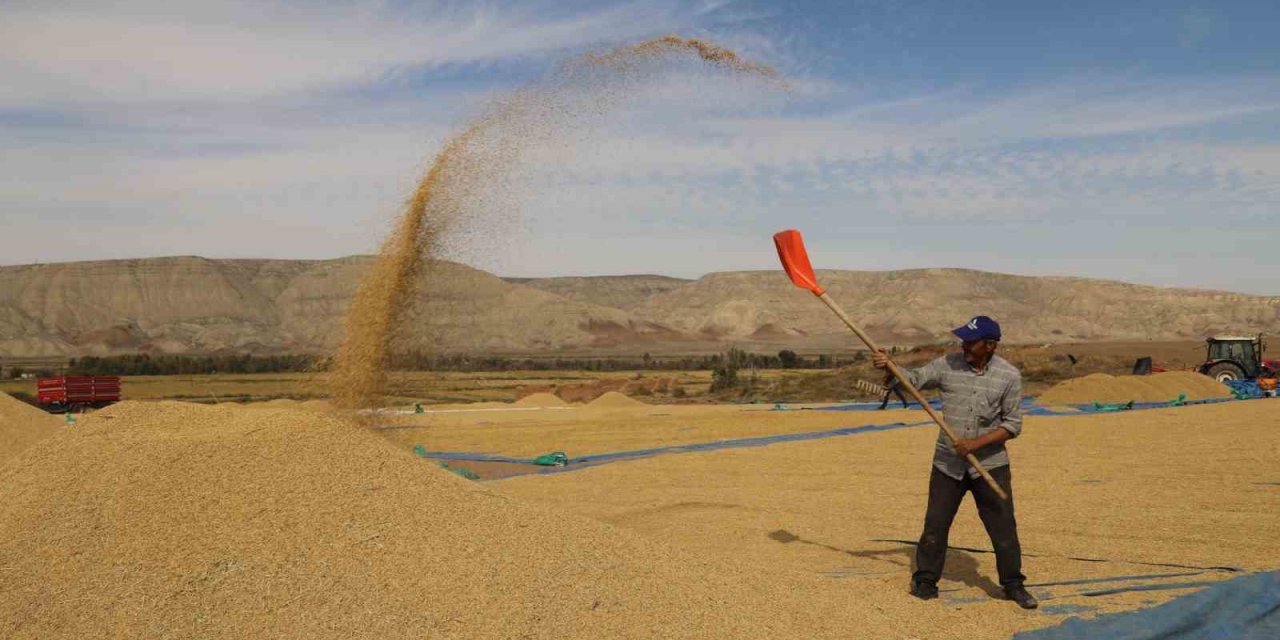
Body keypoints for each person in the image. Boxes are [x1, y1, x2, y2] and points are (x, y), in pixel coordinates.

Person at [872, 315, 1037, 609]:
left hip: (990, 465)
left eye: (970, 341)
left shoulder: (1008, 376)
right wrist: (890, 369)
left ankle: (1013, 585)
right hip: (947, 464)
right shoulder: (947, 364)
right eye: (964, 339)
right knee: (935, 524)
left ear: (990, 345)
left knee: (1003, 528)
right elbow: (913, 382)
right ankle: (925, 581)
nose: (964, 345)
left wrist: (975, 444)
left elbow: (1013, 425)